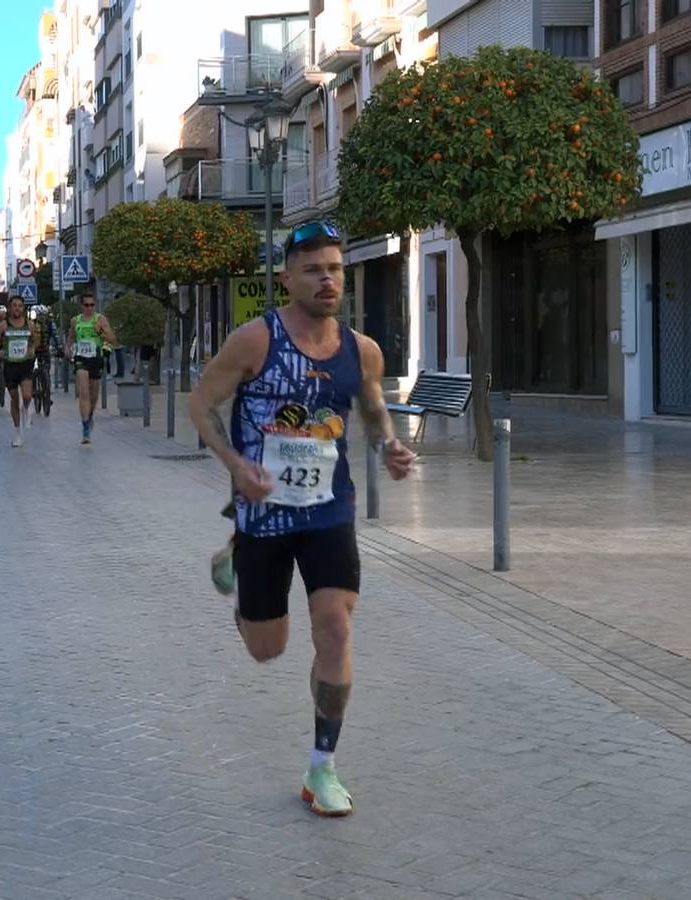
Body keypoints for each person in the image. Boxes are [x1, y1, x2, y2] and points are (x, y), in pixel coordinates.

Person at [186, 221, 417, 817]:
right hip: (263, 515)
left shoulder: (360, 350)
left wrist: (388, 444)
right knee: (267, 648)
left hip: (328, 512)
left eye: (335, 268)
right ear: (286, 278)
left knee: (335, 627)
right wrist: (236, 464)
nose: (327, 279)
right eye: (314, 269)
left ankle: (323, 766)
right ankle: (236, 561)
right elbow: (202, 403)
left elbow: (369, 404)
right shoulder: (254, 341)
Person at [68, 294, 118, 444]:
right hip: (80, 359)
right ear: (81, 306)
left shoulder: (100, 320)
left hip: (96, 358)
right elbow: (71, 337)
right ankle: (85, 427)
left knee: (94, 395)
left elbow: (113, 340)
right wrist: (67, 348)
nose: (89, 308)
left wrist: (101, 332)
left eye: (91, 305)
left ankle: (89, 417)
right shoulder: (75, 320)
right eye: (86, 305)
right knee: (83, 391)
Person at [0, 295, 39, 447]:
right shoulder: (3, 325)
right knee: (14, 399)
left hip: (25, 364)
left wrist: (32, 349)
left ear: (23, 308)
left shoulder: (29, 325)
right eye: (14, 306)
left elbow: (36, 340)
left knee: (27, 394)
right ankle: (17, 433)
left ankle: (28, 409)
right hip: (10, 366)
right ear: (9, 308)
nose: (17, 308)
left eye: (20, 306)